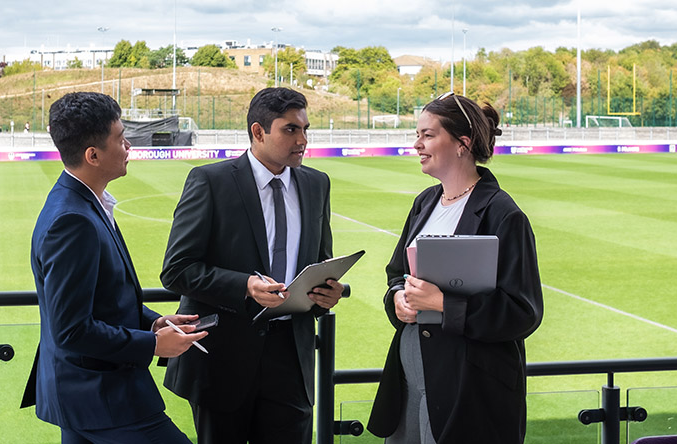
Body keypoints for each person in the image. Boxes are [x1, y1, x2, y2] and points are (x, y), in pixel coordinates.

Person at [160, 87, 345, 444]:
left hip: (292, 359)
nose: (303, 139)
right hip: (223, 361)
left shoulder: (316, 183)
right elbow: (176, 269)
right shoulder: (211, 181)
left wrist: (327, 291)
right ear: (258, 132)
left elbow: (320, 259)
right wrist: (245, 286)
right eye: (290, 129)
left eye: (306, 129)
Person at [24, 91, 206, 444]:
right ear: (92, 155)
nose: (128, 147)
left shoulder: (81, 203)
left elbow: (102, 301)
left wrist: (152, 321)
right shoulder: (73, 220)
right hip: (100, 396)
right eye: (121, 139)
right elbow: (72, 329)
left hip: (85, 394)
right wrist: (152, 344)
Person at [367, 92, 543, 444]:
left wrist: (443, 304)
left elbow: (523, 313)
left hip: (469, 389)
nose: (416, 144)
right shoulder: (425, 202)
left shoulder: (503, 214)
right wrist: (398, 299)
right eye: (418, 134)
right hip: (411, 380)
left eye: (428, 135)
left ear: (463, 143)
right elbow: (396, 273)